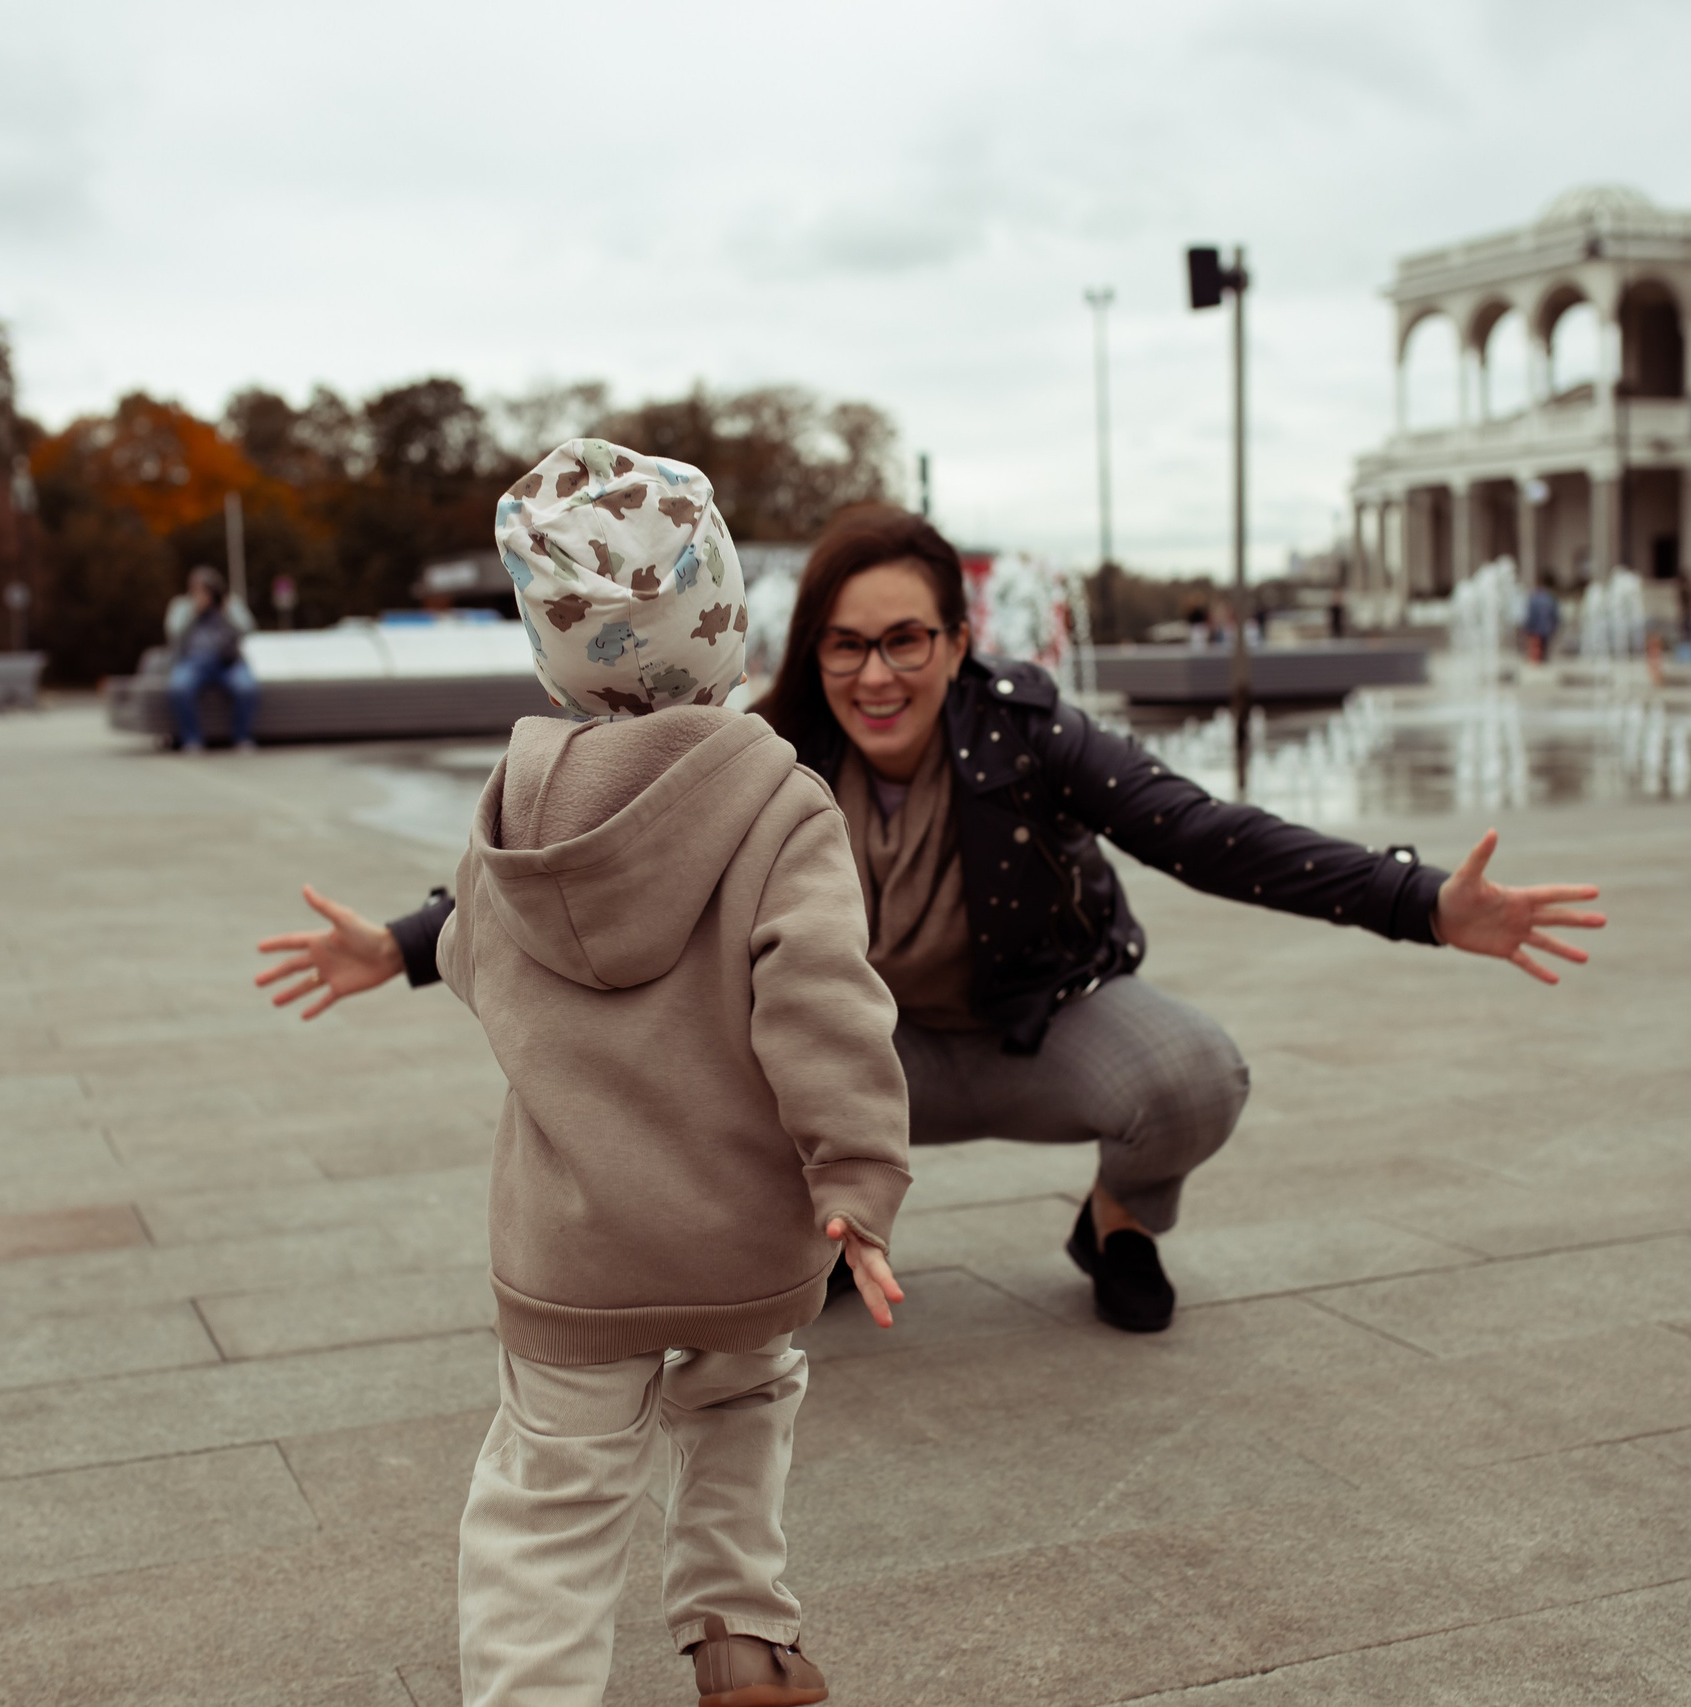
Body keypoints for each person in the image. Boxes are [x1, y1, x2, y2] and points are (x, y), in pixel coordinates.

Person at [258, 506, 1605, 1337]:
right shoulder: (756, 751)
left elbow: (1204, 832)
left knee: (1196, 1073)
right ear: (809, 652)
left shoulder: (1033, 736)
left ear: (958, 643)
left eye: (906, 638)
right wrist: (406, 939)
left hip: (1030, 1029)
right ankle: (824, 1236)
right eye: (847, 642)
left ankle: (1119, 1224)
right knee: (714, 1052)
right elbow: (586, 857)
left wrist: (1421, 899)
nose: (877, 671)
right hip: (857, 1061)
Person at [426, 440, 906, 1706]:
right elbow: (824, 1003)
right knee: (746, 1398)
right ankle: (741, 1636)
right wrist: (854, 1177)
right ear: (726, 621)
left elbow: (474, 964)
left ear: (550, 646)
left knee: (552, 1497)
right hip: (740, 1229)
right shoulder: (780, 803)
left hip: (572, 1245)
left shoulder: (510, 812)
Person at [165, 567, 258, 751]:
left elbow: (248, 630)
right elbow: (174, 635)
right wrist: (193, 613)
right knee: (179, 687)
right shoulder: (181, 605)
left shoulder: (229, 604)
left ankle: (241, 737)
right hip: (193, 662)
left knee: (247, 687)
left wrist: (225, 611)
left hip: (228, 662)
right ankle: (192, 739)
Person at [1522, 574, 1559, 663]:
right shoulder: (1551, 598)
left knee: (1536, 647)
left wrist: (1529, 627)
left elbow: (1531, 614)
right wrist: (1554, 625)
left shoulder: (1534, 598)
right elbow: (1555, 615)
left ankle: (1537, 663)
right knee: (1544, 647)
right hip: (1547, 627)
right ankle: (1543, 661)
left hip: (1536, 628)